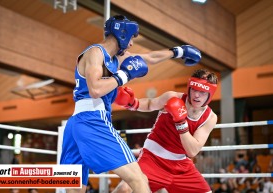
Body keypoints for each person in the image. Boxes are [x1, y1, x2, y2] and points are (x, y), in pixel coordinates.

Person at [60, 14, 201, 193]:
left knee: (75, 189)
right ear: (123, 34)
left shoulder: (114, 59)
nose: (132, 44)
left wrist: (179, 51)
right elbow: (95, 90)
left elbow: (149, 58)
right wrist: (124, 75)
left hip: (75, 124)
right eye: (132, 39)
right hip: (94, 120)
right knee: (139, 179)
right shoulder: (95, 53)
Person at [113, 68, 218, 193]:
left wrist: (181, 122)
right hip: (152, 159)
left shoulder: (210, 118)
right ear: (189, 87)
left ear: (210, 94)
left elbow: (192, 150)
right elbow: (150, 104)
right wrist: (132, 103)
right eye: (194, 89)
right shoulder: (172, 97)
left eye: (202, 92)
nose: (196, 95)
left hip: (181, 166)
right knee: (124, 189)